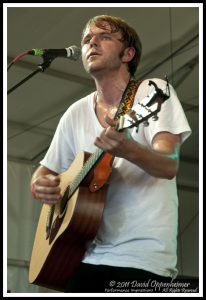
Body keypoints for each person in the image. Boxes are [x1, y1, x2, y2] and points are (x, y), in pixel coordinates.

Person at [30, 15, 191, 293]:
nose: (92, 41)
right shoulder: (75, 112)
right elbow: (45, 170)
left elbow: (168, 165)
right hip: (85, 255)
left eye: (104, 36)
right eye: (86, 39)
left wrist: (128, 149)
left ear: (128, 54)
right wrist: (39, 184)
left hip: (142, 259)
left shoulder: (153, 93)